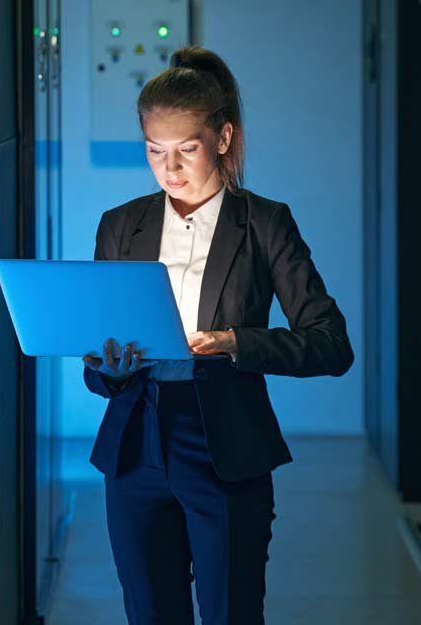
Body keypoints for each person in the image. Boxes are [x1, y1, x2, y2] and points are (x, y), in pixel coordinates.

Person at [82, 45, 354, 625]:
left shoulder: (264, 223)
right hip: (135, 446)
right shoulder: (120, 226)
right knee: (151, 614)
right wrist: (111, 364)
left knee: (232, 614)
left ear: (223, 139)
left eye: (187, 149)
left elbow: (331, 343)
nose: (170, 168)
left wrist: (237, 342)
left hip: (224, 443)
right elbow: (95, 372)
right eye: (155, 152)